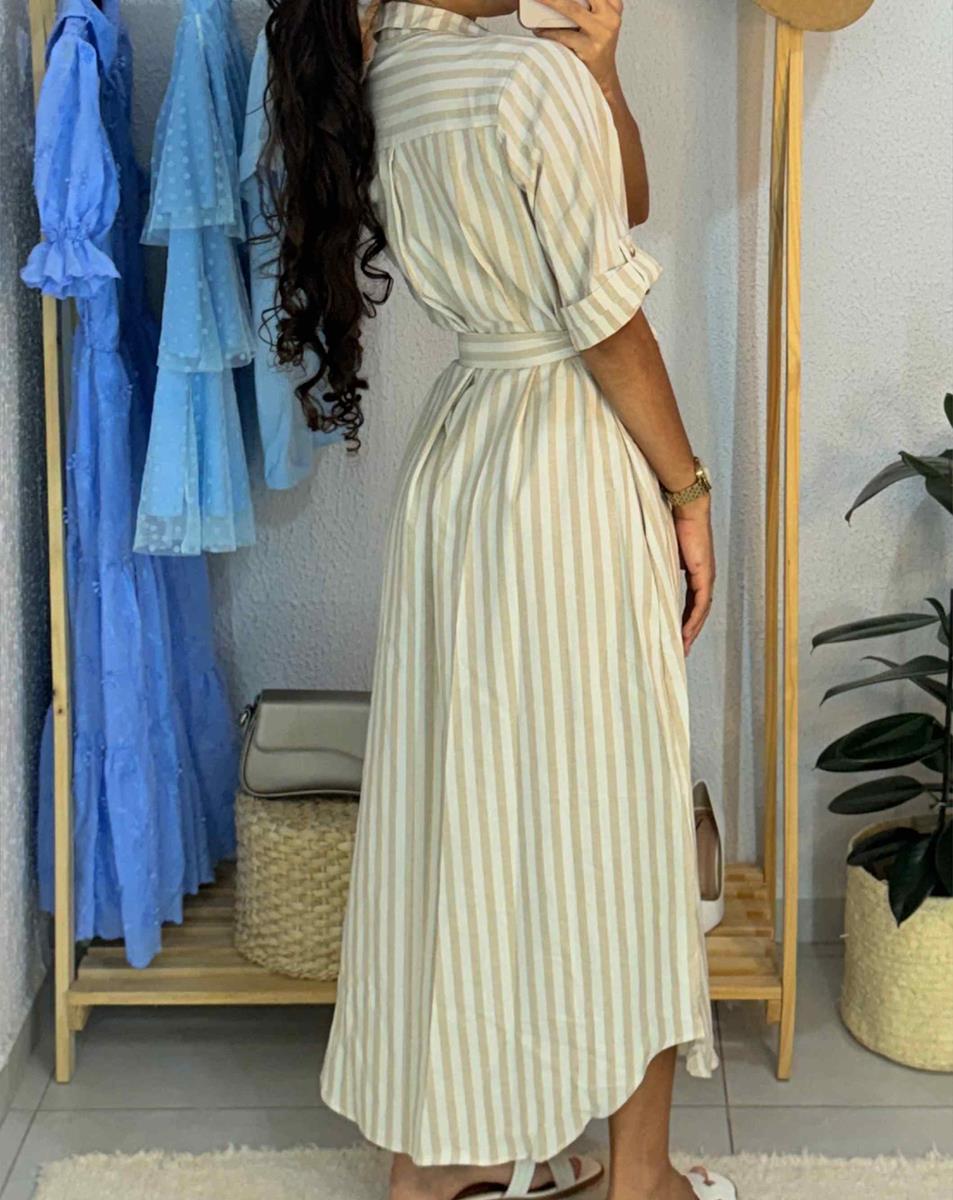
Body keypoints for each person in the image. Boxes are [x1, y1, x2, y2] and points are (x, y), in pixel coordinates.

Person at [261, 2, 731, 1197]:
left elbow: (615, 205)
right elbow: (607, 323)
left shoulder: (392, 71)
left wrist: (605, 75)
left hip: (466, 460)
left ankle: (439, 1163)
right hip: (564, 461)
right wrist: (687, 490)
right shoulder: (520, 82)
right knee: (621, 810)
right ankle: (640, 1180)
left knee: (460, 803)